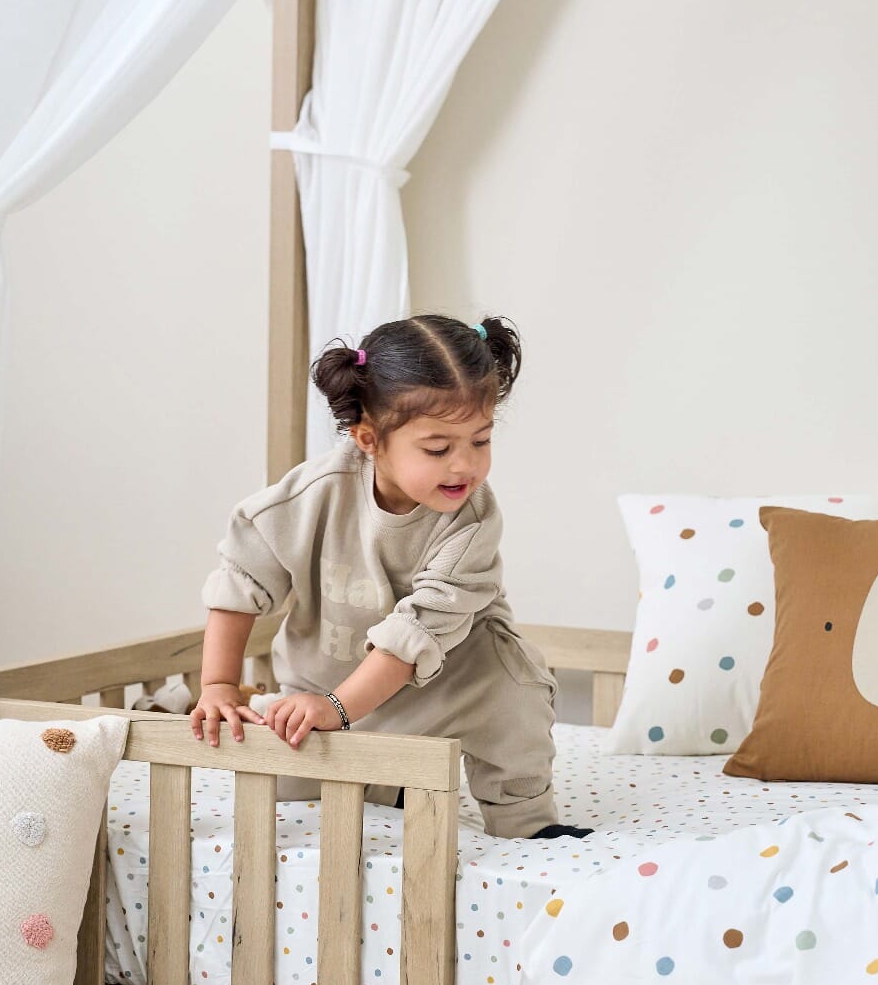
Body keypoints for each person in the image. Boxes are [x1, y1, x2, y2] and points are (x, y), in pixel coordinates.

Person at [190, 313, 588, 840]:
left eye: (481, 440)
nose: (464, 466)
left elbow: (413, 637)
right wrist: (218, 684)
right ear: (369, 439)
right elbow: (242, 577)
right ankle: (386, 782)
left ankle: (526, 822)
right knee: (277, 778)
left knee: (516, 695)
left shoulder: (472, 519)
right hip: (325, 680)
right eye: (438, 449)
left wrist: (337, 710)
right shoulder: (314, 495)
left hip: (454, 682)